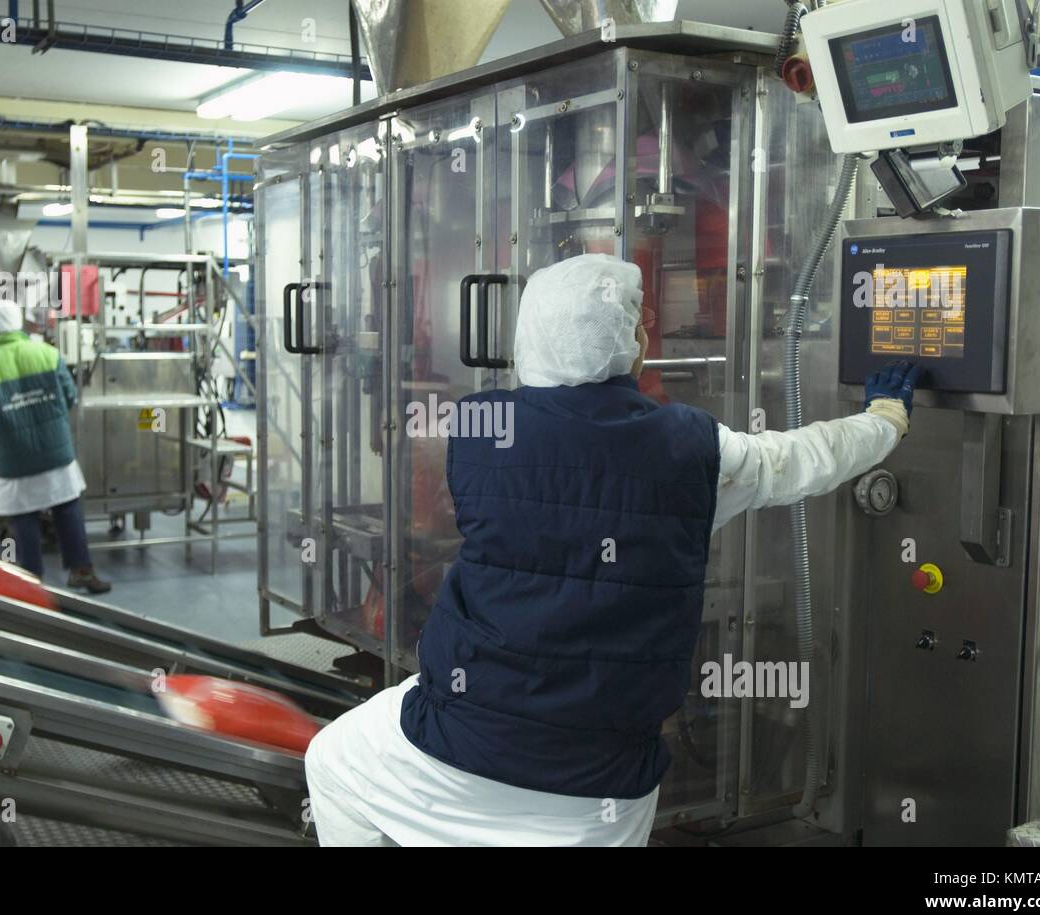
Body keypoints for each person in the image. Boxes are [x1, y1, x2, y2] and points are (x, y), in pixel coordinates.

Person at [304, 253, 920, 846]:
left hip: (458, 749)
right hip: (604, 786)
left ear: (530, 336)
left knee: (332, 759)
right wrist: (884, 419)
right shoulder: (694, 449)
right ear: (633, 345)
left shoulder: (480, 428)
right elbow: (803, 460)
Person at [0, 299, 110, 594]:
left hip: (12, 458)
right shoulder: (47, 353)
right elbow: (69, 397)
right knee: (67, 507)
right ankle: (82, 570)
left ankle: (32, 584)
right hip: (54, 450)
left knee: (24, 517)